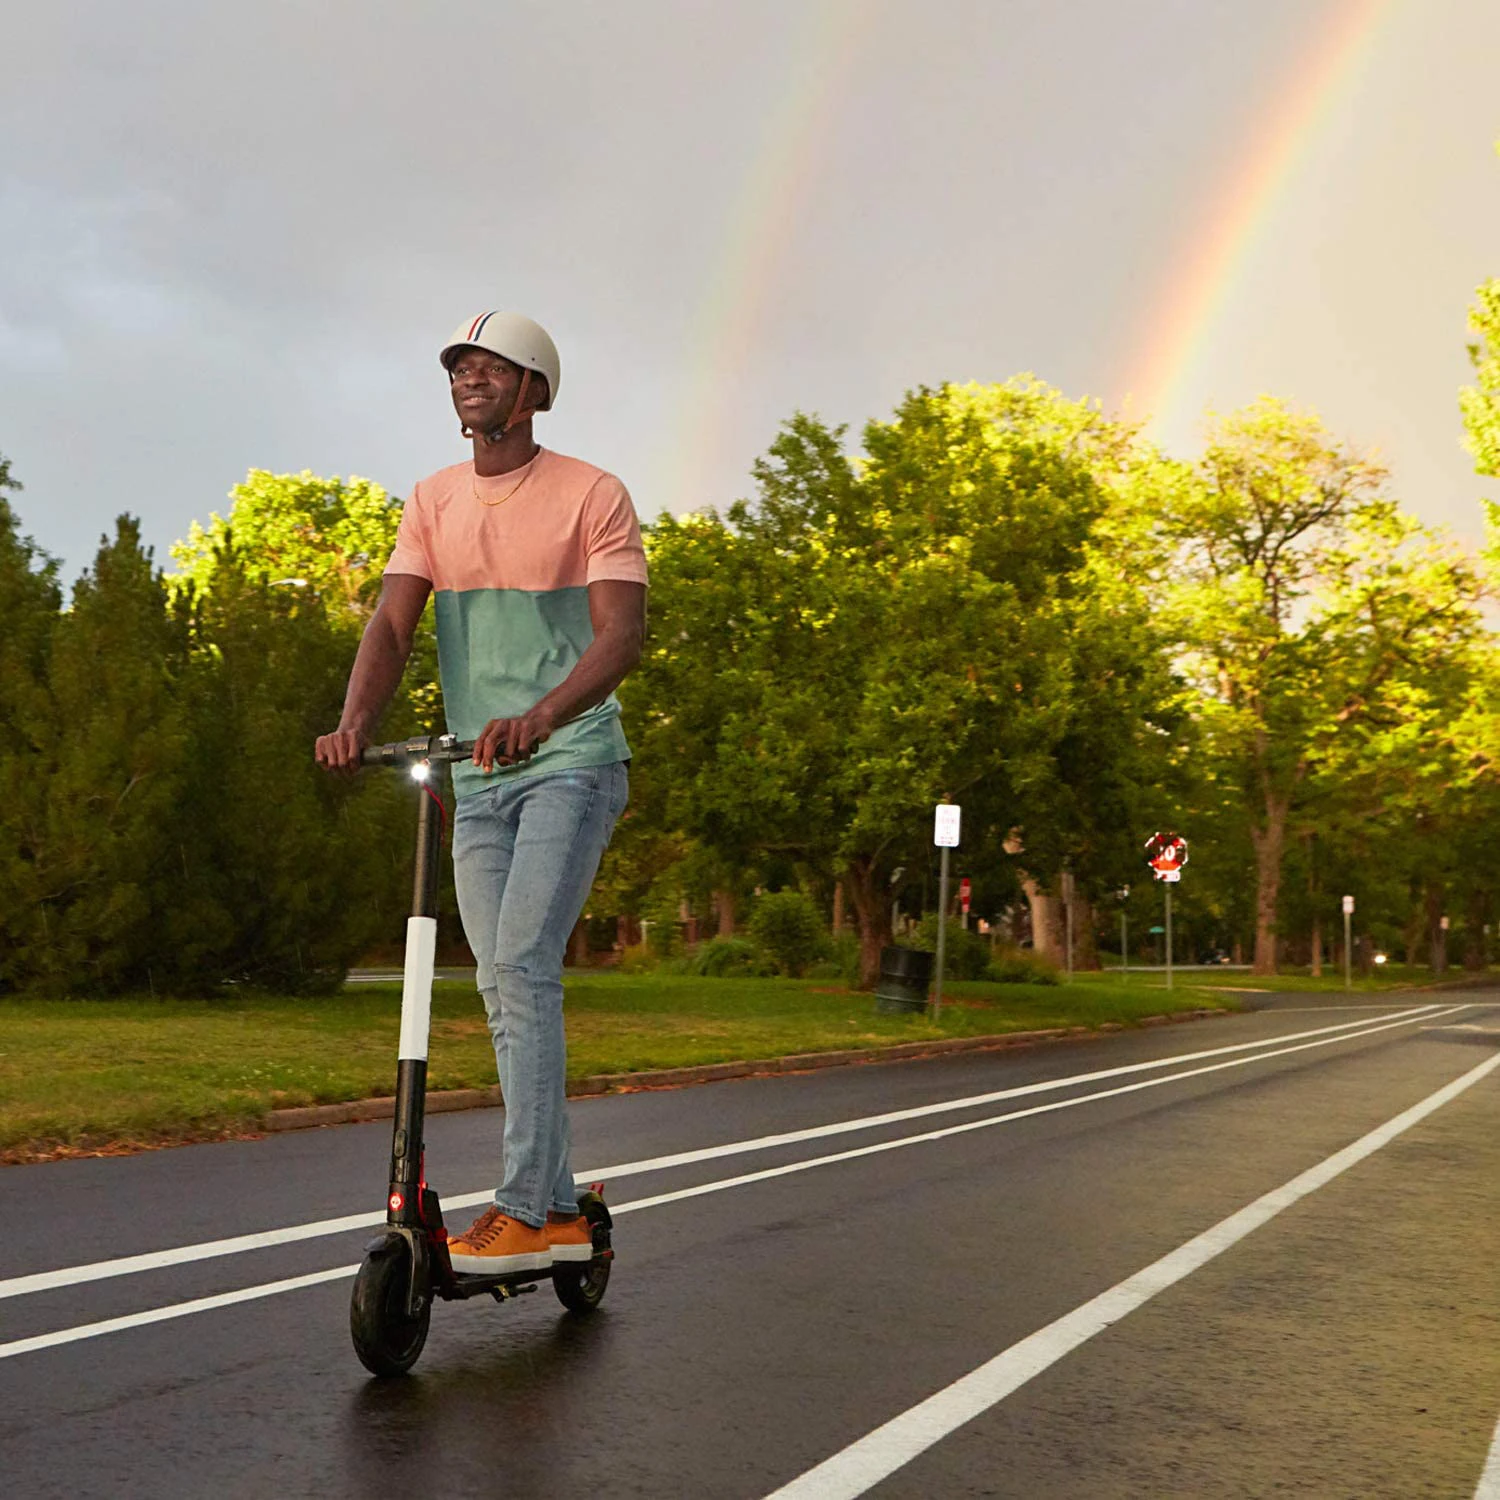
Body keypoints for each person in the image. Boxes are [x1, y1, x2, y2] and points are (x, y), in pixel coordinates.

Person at [315, 311, 647, 1274]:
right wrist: (355, 725)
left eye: (490, 367)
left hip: (571, 759)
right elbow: (389, 625)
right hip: (479, 770)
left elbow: (619, 637)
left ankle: (523, 1208)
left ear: (535, 387)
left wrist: (541, 717)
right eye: (458, 366)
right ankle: (556, 1207)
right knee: (502, 983)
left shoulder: (593, 494)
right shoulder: (432, 500)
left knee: (520, 968)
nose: (468, 378)